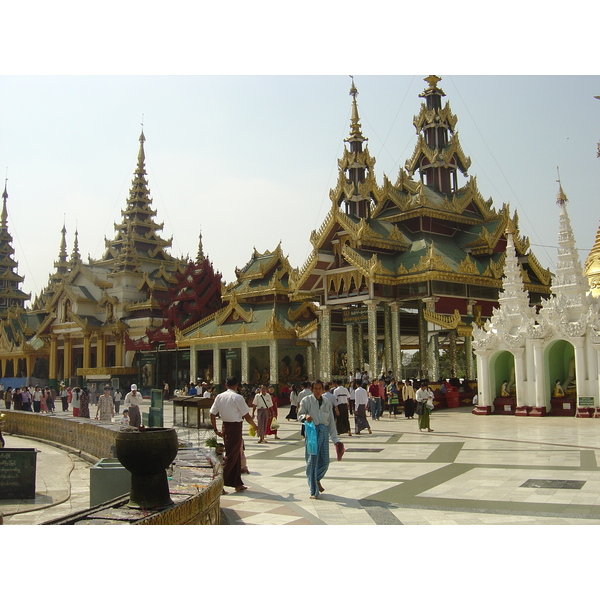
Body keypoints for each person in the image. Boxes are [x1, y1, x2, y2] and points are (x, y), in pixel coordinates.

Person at [210, 376, 258, 493]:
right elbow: (246, 415)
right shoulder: (237, 397)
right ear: (236, 385)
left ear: (226, 385)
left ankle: (237, 482)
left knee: (235, 455)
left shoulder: (219, 397)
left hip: (225, 426)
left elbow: (212, 413)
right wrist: (254, 425)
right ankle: (218, 482)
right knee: (231, 456)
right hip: (235, 427)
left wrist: (216, 429)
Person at [297, 380, 344, 499]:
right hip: (312, 430)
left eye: (320, 388)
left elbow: (331, 422)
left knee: (325, 461)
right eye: (315, 388)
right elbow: (299, 415)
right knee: (312, 460)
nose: (318, 391)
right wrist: (305, 417)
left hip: (323, 431)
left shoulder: (327, 402)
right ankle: (313, 490)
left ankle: (316, 478)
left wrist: (335, 439)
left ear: (323, 390)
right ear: (312, 389)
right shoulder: (306, 400)